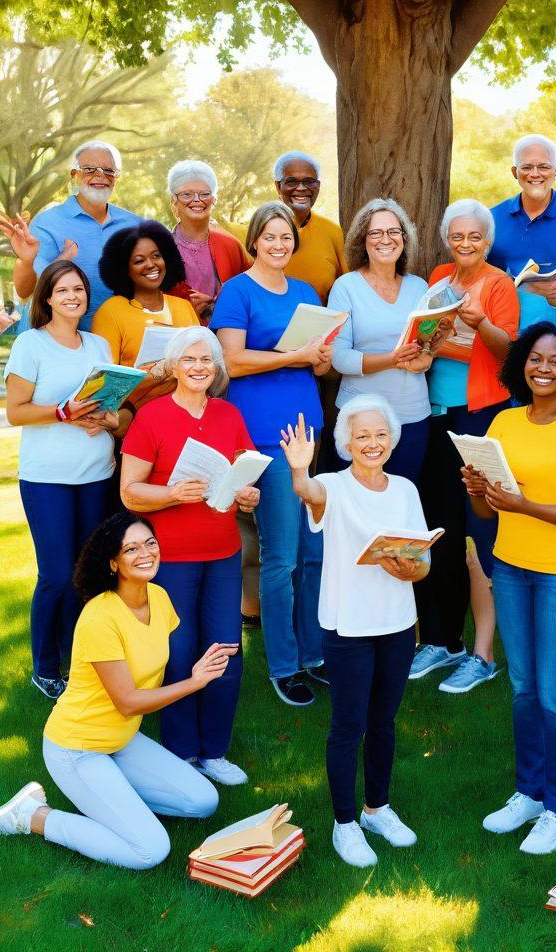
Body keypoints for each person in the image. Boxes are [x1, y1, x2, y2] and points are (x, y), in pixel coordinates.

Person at [0, 513, 231, 867]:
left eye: (150, 543)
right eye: (131, 548)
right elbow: (128, 702)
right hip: (76, 748)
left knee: (203, 802)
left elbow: (153, 660)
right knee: (149, 851)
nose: (145, 553)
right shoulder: (100, 617)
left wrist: (201, 667)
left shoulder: (159, 598)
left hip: (121, 742)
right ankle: (32, 816)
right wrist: (194, 683)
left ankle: (117, 802)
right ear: (113, 563)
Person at [465, 323, 556, 855]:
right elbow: (486, 510)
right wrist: (480, 490)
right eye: (534, 359)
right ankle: (527, 792)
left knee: (553, 691)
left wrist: (525, 504)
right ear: (521, 364)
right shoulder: (503, 422)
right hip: (510, 566)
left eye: (554, 361)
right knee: (523, 687)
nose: (542, 369)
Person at [281, 399, 430, 868]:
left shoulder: (405, 489)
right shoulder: (332, 485)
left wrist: (407, 565)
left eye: (380, 434)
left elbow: (422, 566)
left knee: (384, 723)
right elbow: (308, 491)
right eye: (362, 435)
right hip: (348, 625)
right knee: (349, 726)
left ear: (391, 439)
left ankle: (377, 809)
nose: (372, 443)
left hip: (397, 623)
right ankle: (344, 823)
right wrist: (299, 471)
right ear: (347, 442)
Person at [119, 327, 259, 784]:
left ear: (216, 368)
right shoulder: (152, 417)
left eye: (207, 360)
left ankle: (215, 749)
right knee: (178, 653)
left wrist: (249, 495)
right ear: (174, 366)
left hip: (222, 553)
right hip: (171, 557)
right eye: (190, 360)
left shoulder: (228, 414)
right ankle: (181, 753)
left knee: (225, 648)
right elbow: (129, 493)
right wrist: (173, 493)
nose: (199, 368)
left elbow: (244, 472)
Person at [212, 202, 332, 708]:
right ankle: (284, 665)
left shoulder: (305, 294)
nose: (280, 244)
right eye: (270, 236)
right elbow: (232, 362)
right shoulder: (237, 291)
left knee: (313, 552)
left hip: (309, 429)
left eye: (287, 237)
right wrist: (296, 357)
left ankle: (314, 653)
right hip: (264, 434)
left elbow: (316, 368)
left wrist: (318, 361)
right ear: (254, 241)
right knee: (280, 555)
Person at [412, 199, 520, 695]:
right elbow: (423, 335)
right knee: (442, 527)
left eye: (474, 236)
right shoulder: (438, 275)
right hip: (434, 413)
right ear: (446, 239)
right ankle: (440, 639)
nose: (466, 244)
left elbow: (508, 356)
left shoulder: (498, 285)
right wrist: (439, 342)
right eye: (457, 236)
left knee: (480, 530)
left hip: (480, 414)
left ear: (488, 239)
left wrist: (469, 330)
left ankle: (484, 653)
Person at [4, 260, 120, 699]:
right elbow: (16, 412)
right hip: (47, 478)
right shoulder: (30, 345)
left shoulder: (99, 345)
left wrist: (106, 419)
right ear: (47, 298)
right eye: (63, 290)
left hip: (96, 474)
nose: (73, 296)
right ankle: (44, 666)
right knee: (55, 575)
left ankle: (76, 662)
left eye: (79, 289)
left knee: (84, 574)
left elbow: (111, 402)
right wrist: (60, 413)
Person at [327, 198, 431, 482]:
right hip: (360, 418)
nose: (386, 239)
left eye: (394, 231)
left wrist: (425, 359)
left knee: (402, 501)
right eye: (376, 233)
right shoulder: (345, 287)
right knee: (358, 505)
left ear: (404, 238)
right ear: (363, 240)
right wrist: (393, 359)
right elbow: (339, 357)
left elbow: (426, 345)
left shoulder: (419, 286)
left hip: (413, 415)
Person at [0, 142, 140, 328]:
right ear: (74, 174)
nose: (100, 175)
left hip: (112, 340)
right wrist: (27, 261)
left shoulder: (135, 224)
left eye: (108, 170)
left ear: (116, 177)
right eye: (89, 169)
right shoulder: (47, 223)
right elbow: (26, 291)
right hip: (52, 340)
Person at [487, 134, 556, 331]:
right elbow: (477, 280)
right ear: (515, 172)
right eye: (527, 167)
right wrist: (523, 290)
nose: (535, 174)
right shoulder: (492, 219)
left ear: (555, 171)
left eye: (544, 167)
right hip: (503, 330)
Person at [91, 221, 200, 418]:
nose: (151, 264)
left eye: (156, 256)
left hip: (188, 415)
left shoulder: (183, 306)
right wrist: (155, 373)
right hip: (134, 420)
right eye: (139, 260)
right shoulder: (111, 311)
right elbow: (104, 382)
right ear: (125, 269)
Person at [166, 160, 249, 322]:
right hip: (177, 331)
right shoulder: (162, 248)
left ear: (214, 200)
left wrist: (216, 304)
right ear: (173, 201)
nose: (197, 200)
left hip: (227, 331)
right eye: (186, 195)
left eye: (204, 194)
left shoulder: (230, 244)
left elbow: (247, 292)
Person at [273, 150, 346, 304]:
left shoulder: (332, 231)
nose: (301, 188)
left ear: (318, 186)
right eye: (292, 181)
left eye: (309, 181)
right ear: (278, 186)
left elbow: (347, 287)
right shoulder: (260, 229)